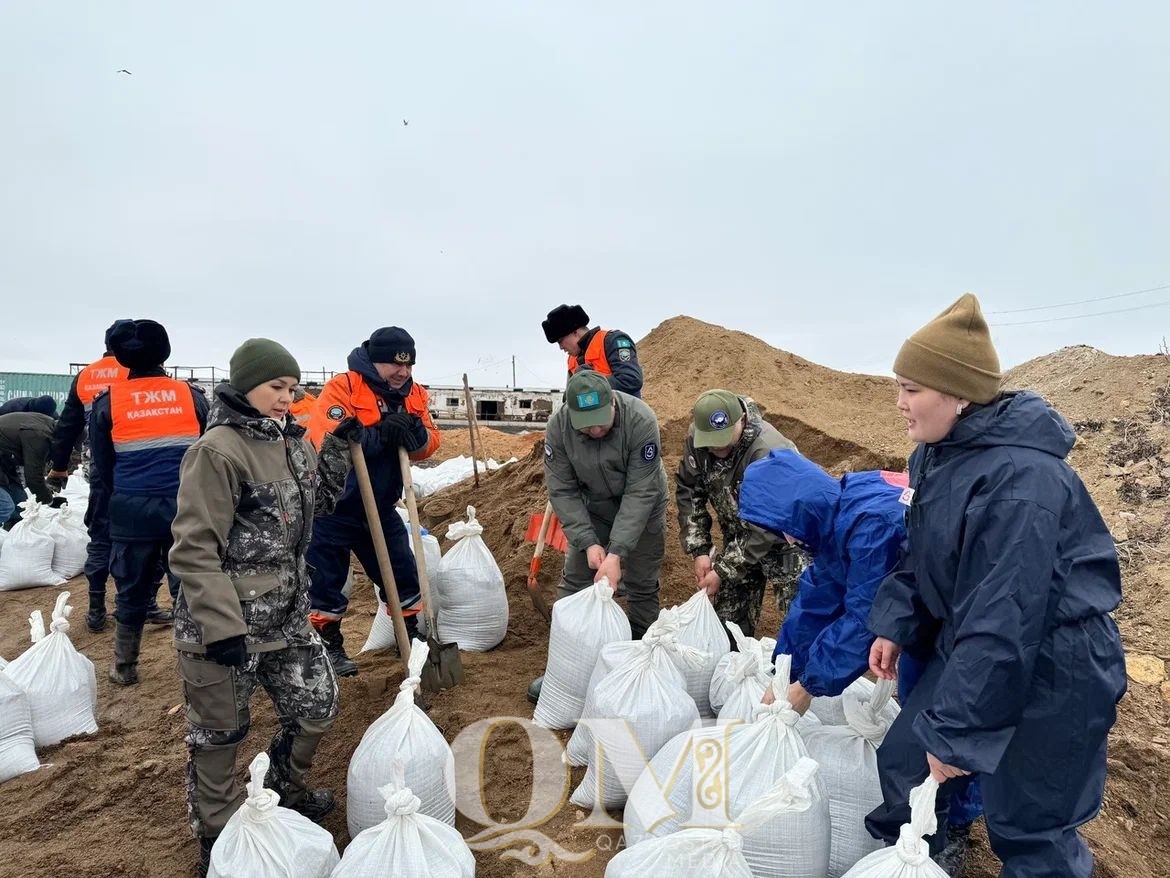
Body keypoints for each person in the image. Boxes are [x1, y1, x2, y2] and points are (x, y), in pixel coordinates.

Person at [864, 294, 1126, 878]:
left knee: (1032, 831)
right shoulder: (935, 456)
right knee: (907, 762)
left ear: (957, 393)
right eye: (899, 385)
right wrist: (895, 622)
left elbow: (1005, 613)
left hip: (1056, 666)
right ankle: (927, 855)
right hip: (983, 640)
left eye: (911, 389)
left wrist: (957, 731)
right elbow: (924, 555)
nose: (899, 403)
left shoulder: (1019, 481)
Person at [169, 338, 354, 878]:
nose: (287, 398)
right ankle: (220, 837)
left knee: (317, 706)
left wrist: (338, 448)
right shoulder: (217, 450)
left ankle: (280, 791)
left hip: (287, 613)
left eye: (293, 390)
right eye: (277, 387)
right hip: (224, 622)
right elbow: (193, 548)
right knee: (220, 734)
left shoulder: (293, 442)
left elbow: (318, 504)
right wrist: (223, 627)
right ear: (246, 383)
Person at [304, 327, 440, 676]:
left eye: (408, 366)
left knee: (402, 570)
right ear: (374, 361)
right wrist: (378, 433)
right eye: (395, 365)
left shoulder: (415, 395)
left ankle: (408, 635)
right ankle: (326, 644)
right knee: (325, 580)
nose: (403, 373)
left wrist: (415, 434)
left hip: (379, 505)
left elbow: (430, 443)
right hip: (332, 507)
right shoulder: (344, 387)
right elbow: (327, 439)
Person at [89, 319, 209, 684]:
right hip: (186, 508)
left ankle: (124, 668)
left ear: (123, 359)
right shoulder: (193, 397)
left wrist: (107, 513)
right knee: (190, 587)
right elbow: (210, 453)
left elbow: (102, 470)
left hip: (131, 510)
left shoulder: (108, 403)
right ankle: (198, 667)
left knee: (132, 590)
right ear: (165, 353)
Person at [46, 321, 172, 631]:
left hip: (100, 470)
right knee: (151, 538)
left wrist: (59, 465)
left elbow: (68, 425)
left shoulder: (86, 375)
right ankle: (148, 603)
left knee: (100, 536)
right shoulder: (136, 368)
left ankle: (95, 610)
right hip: (140, 470)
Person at [544, 369, 666, 639]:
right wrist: (587, 541)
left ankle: (640, 656)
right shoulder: (559, 428)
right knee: (575, 579)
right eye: (586, 426)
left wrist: (616, 554)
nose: (596, 430)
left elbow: (640, 491)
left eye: (601, 421)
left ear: (612, 401)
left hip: (642, 508)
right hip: (594, 507)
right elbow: (562, 490)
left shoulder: (640, 420)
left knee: (642, 582)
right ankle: (566, 656)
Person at [675, 389, 803, 639]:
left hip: (787, 541)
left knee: (799, 619)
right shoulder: (699, 440)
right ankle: (733, 670)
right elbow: (690, 490)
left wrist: (722, 570)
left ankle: (800, 675)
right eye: (710, 440)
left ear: (741, 420)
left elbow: (765, 527)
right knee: (727, 624)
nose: (717, 446)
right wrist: (699, 549)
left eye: (723, 437)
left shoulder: (768, 451)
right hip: (738, 537)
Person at [542, 303, 643, 397]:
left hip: (623, 414)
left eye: (560, 341)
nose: (560, 347)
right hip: (592, 415)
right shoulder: (572, 359)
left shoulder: (612, 340)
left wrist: (590, 382)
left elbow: (630, 381)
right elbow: (571, 396)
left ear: (574, 332)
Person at [0, 411, 61, 527]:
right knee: (5, 506)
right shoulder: (39, 435)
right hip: (4, 460)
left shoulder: (49, 425)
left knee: (20, 504)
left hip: (5, 460)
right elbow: (33, 477)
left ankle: (13, 539)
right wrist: (49, 500)